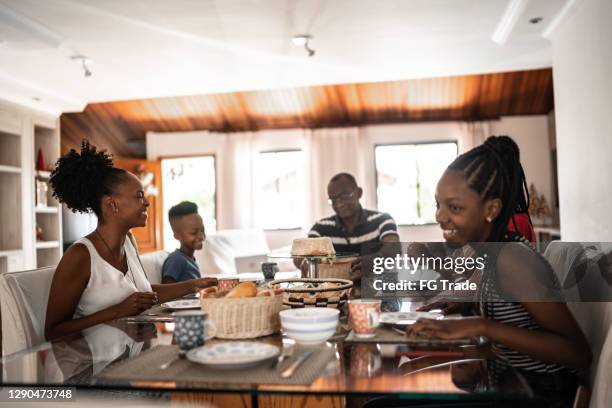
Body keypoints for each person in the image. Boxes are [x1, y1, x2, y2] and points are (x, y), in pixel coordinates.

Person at [407, 136, 591, 406]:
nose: (440, 216)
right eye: (438, 204)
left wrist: (483, 326)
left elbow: (578, 353)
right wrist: (462, 301)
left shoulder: (514, 260)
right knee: (403, 383)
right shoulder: (491, 254)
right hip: (506, 381)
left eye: (454, 207)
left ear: (491, 209)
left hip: (540, 393)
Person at [45, 141, 217, 341]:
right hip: (93, 366)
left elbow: (144, 295)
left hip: (131, 357)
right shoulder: (80, 256)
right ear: (112, 204)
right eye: (139, 196)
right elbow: (53, 332)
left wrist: (195, 285)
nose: (147, 202)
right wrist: (117, 311)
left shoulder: (128, 242)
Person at [307, 173, 400, 254]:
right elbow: (302, 255)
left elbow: (392, 249)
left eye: (344, 196)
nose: (339, 204)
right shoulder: (321, 228)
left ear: (359, 193)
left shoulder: (382, 220)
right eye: (333, 199)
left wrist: (369, 261)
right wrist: (304, 262)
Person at [161, 201, 205, 283]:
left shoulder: (189, 259)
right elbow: (167, 290)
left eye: (202, 230)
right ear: (177, 236)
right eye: (193, 233)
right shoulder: (176, 259)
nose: (201, 236)